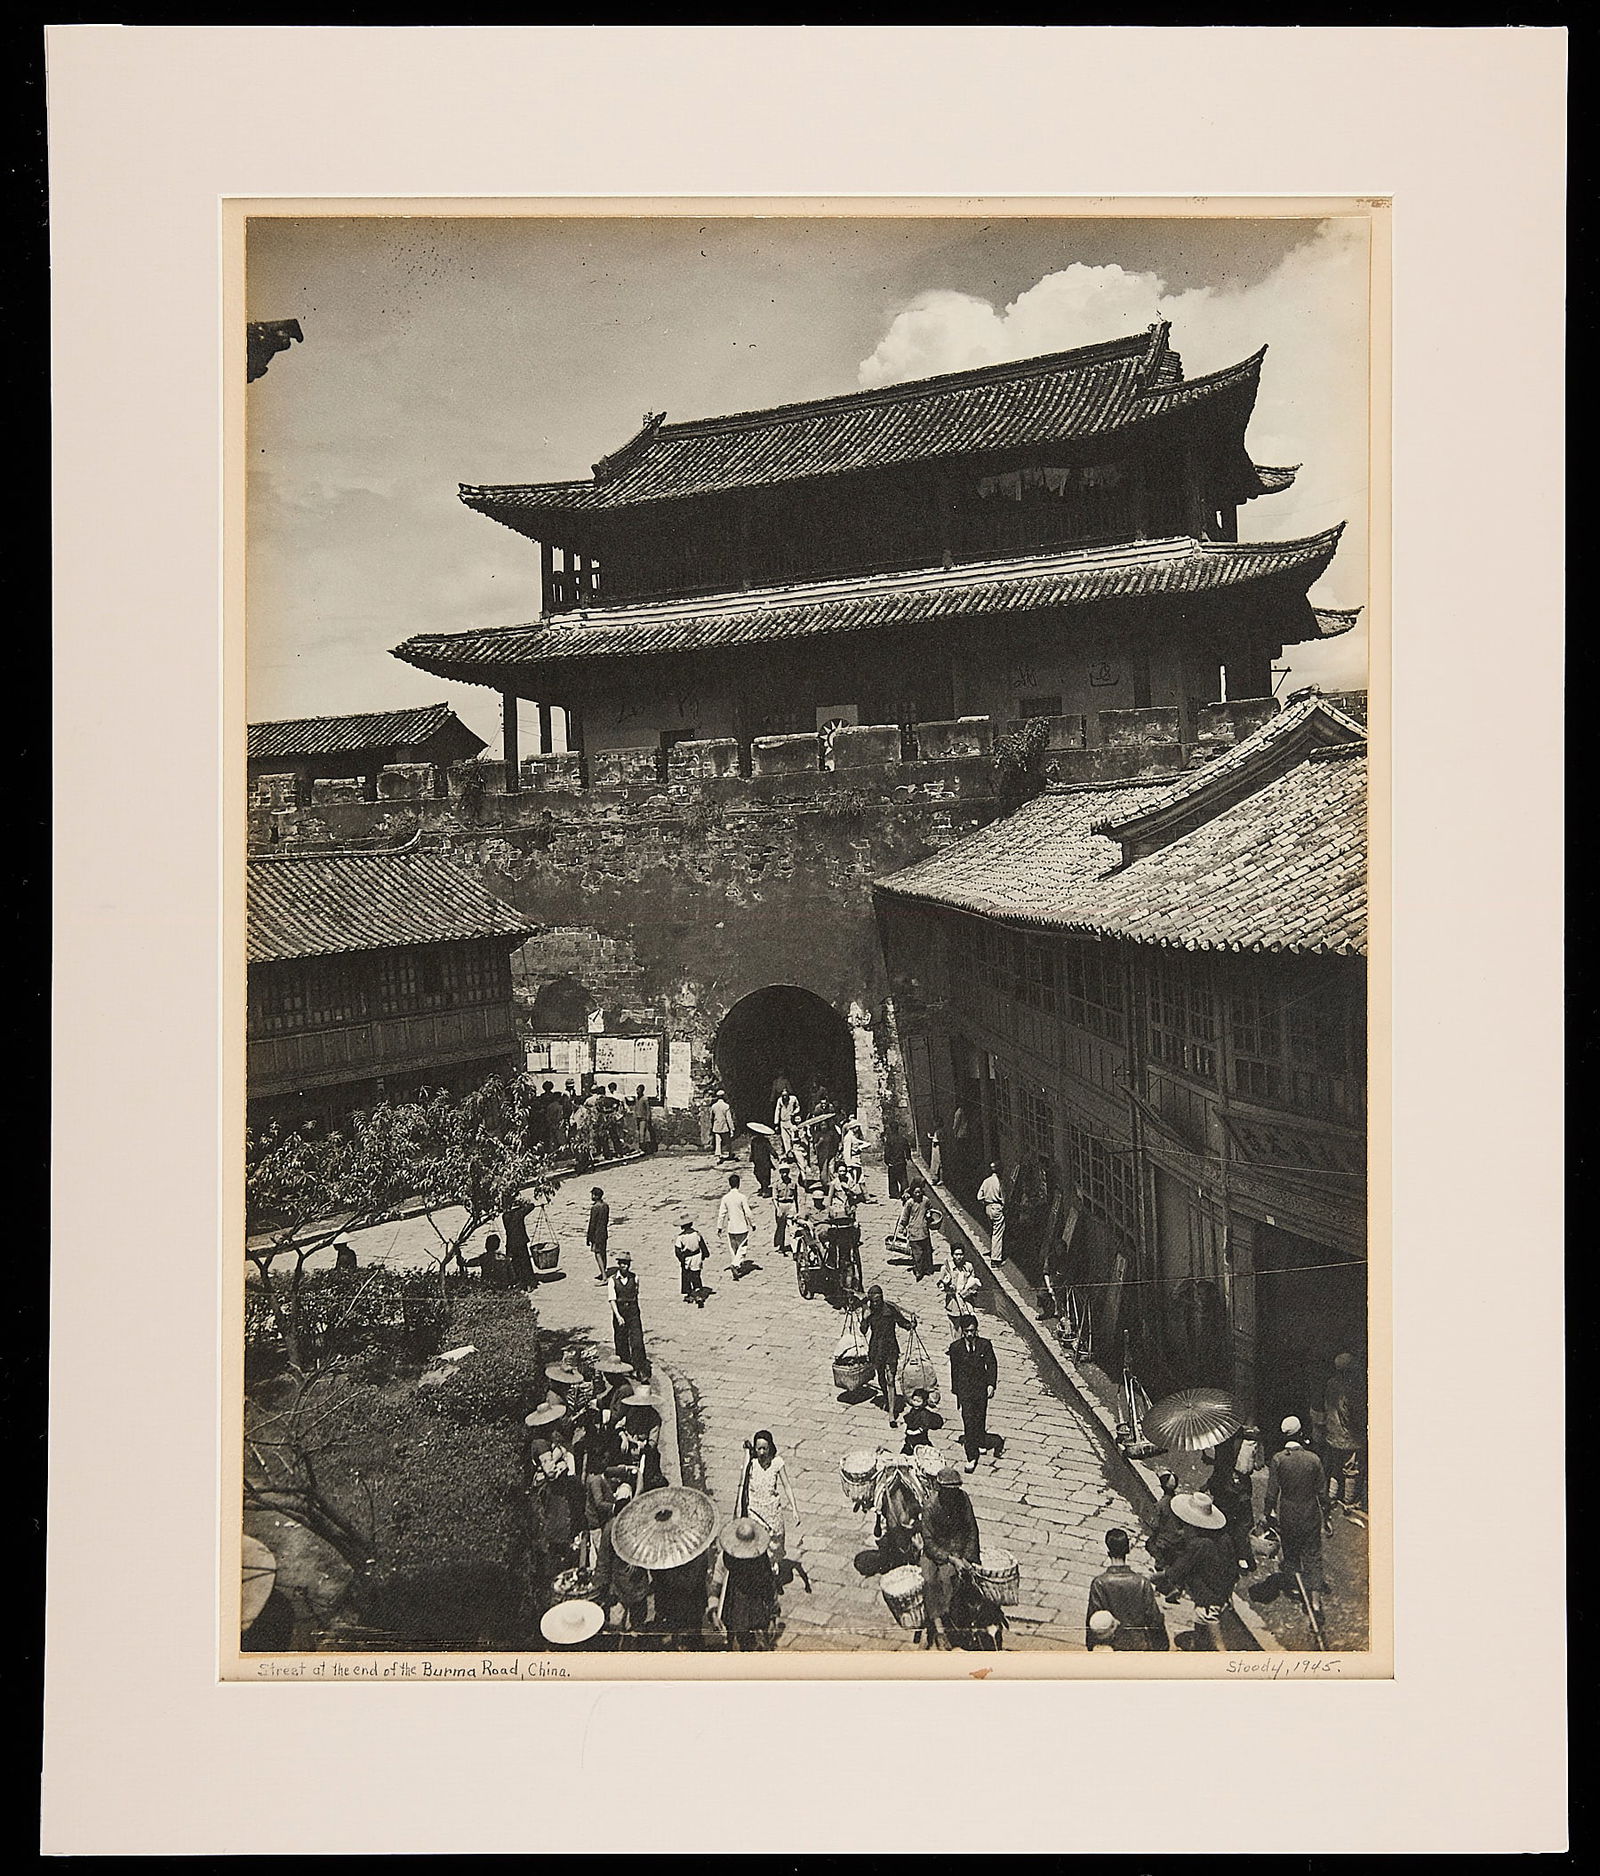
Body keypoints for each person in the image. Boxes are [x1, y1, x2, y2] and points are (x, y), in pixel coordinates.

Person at [1152, 1491, 1239, 1644]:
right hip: (1223, 1594)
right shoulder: (1224, 1538)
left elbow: (1177, 1571)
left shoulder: (1199, 1545)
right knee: (1205, 1630)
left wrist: (1155, 1578)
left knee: (1210, 1635)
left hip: (1209, 1600)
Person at [1265, 1421, 1329, 1605]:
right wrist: (1327, 1516)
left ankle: (1294, 1587)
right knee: (1313, 1554)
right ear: (1300, 1434)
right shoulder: (1314, 1459)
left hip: (1288, 1512)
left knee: (1291, 1551)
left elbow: (1271, 1492)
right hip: (1310, 1512)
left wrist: (1267, 1512)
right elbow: (1322, 1493)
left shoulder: (1278, 1459)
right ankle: (1315, 1600)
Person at [919, 1466, 982, 1649]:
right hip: (936, 1552)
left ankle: (959, 1620)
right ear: (940, 1489)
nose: (953, 1494)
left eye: (955, 1489)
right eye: (948, 1490)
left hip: (959, 1550)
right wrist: (950, 1558)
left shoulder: (963, 1499)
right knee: (930, 1580)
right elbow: (929, 1542)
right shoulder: (930, 1506)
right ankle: (939, 1628)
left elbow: (971, 1529)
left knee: (952, 1578)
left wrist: (967, 1557)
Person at [736, 1430, 804, 1586]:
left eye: (764, 1448)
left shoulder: (777, 1463)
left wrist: (794, 1509)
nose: (761, 1452)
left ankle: (772, 1569)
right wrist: (747, 1453)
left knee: (775, 1542)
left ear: (770, 1448)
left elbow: (787, 1486)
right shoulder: (751, 1464)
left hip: (772, 1512)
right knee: (758, 1545)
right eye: (758, 1448)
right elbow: (743, 1482)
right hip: (755, 1511)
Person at [1085, 1527, 1171, 1651]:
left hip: (1112, 1645)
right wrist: (1162, 1647)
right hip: (1139, 1644)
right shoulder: (1142, 1582)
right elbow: (1154, 1619)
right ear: (1127, 1550)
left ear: (1108, 1552)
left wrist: (1091, 1647)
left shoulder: (1099, 1583)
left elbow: (1094, 1620)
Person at [711, 1518, 780, 1650]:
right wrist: (714, 1611)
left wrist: (772, 1616)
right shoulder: (725, 1558)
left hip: (756, 1613)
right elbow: (716, 1586)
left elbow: (769, 1587)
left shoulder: (760, 1558)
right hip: (733, 1612)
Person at [948, 1314, 1003, 1471]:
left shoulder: (984, 1345)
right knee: (968, 1420)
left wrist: (991, 1384)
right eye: (967, 1331)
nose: (970, 1334)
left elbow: (992, 1364)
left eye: (972, 1331)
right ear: (962, 1331)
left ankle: (980, 1440)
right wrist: (956, 1391)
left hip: (980, 1388)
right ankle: (971, 1456)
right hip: (965, 1390)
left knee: (979, 1417)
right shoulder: (955, 1348)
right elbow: (954, 1370)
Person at [859, 1285, 917, 1424]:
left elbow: (902, 1322)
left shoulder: (890, 1310)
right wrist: (865, 1319)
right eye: (873, 1301)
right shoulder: (868, 1311)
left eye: (878, 1301)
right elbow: (863, 1330)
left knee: (890, 1379)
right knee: (881, 1377)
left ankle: (892, 1413)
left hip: (890, 1348)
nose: (875, 1303)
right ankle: (886, 1397)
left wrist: (911, 1324)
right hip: (876, 1348)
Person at [1204, 1434, 1257, 1574]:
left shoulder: (1222, 1442)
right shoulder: (1245, 1438)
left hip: (1225, 1491)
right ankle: (1243, 1558)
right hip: (1242, 1490)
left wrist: (1211, 1464)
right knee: (1242, 1525)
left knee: (1223, 1523)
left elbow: (1222, 1467)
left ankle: (1224, 1557)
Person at [1322, 1351, 1367, 1513]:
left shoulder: (1331, 1383)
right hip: (1349, 1437)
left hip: (1333, 1434)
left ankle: (1332, 1497)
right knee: (1351, 1470)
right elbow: (1352, 1413)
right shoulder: (1350, 1388)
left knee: (1335, 1468)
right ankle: (1349, 1502)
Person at [607, 1252, 651, 1381]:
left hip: (632, 1311)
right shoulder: (612, 1280)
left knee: (637, 1340)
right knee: (621, 1340)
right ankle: (625, 1367)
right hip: (619, 1311)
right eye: (621, 1263)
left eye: (626, 1263)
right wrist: (618, 1316)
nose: (623, 1266)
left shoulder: (635, 1278)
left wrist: (633, 1309)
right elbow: (612, 1300)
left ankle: (640, 1369)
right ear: (618, 1264)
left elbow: (636, 1293)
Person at [617, 1388, 667, 1493]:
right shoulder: (631, 1411)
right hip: (628, 1450)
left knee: (647, 1480)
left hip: (644, 1452)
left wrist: (638, 1444)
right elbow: (619, 1425)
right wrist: (623, 1437)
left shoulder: (654, 1417)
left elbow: (652, 1443)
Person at [718, 1172, 756, 1278]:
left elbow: (721, 1214)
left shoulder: (725, 1198)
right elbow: (748, 1212)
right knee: (742, 1247)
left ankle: (736, 1265)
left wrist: (719, 1227)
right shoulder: (742, 1197)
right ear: (739, 1184)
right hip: (741, 1227)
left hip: (731, 1227)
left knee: (733, 1248)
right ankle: (735, 1264)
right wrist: (752, 1223)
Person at [938, 1242, 982, 1328]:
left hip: (967, 1301)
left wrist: (971, 1290)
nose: (959, 1257)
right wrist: (948, 1287)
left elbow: (973, 1281)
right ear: (952, 1255)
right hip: (953, 1302)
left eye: (961, 1254)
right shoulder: (946, 1268)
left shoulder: (968, 1266)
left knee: (969, 1327)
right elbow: (940, 1285)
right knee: (956, 1329)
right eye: (956, 1254)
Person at [897, 1181, 935, 1281]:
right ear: (912, 1193)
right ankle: (919, 1271)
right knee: (917, 1254)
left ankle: (928, 1268)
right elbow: (905, 1216)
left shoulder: (925, 1200)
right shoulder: (909, 1203)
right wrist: (902, 1226)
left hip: (924, 1230)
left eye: (919, 1192)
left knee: (926, 1251)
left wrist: (929, 1214)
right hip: (913, 1231)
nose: (918, 1194)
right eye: (916, 1192)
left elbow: (931, 1209)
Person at [674, 1217, 709, 1307]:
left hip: (687, 1258)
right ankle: (698, 1294)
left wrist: (681, 1260)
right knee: (696, 1275)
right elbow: (702, 1245)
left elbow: (677, 1251)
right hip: (697, 1257)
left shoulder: (681, 1237)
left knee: (686, 1276)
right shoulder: (696, 1234)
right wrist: (705, 1255)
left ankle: (689, 1294)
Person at [899, 1387, 945, 1456]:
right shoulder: (913, 1410)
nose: (915, 1403)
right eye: (914, 1400)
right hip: (910, 1437)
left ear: (924, 1402)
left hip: (920, 1437)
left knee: (922, 1451)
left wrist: (914, 1432)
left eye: (918, 1401)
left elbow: (924, 1426)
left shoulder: (924, 1413)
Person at [977, 1162, 1007, 1264]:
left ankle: (994, 1252)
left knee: (993, 1231)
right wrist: (1003, 1206)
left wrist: (985, 1202)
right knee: (997, 1234)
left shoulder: (986, 1181)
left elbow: (979, 1197)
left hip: (988, 1208)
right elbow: (1004, 1199)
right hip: (997, 1208)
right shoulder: (999, 1182)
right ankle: (995, 1259)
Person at [771, 1156, 800, 1254]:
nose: (784, 1174)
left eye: (786, 1172)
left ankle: (795, 1248)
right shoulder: (776, 1184)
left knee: (792, 1228)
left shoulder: (793, 1183)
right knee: (781, 1227)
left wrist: (796, 1209)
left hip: (790, 1205)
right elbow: (774, 1198)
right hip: (780, 1206)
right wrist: (778, 1209)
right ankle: (781, 1246)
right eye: (782, 1172)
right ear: (780, 1173)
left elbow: (796, 1197)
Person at [587, 1186, 611, 1281]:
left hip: (596, 1234)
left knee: (597, 1253)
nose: (591, 1196)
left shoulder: (595, 1208)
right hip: (604, 1232)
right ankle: (603, 1271)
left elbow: (592, 1224)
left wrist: (589, 1237)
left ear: (596, 1196)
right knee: (603, 1252)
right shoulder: (605, 1206)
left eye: (593, 1194)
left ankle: (604, 1276)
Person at [774, 1085, 802, 1161]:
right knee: (785, 1139)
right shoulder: (780, 1100)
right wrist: (776, 1123)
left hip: (791, 1121)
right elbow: (777, 1111)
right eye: (783, 1096)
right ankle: (789, 1155)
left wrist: (794, 1112)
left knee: (793, 1137)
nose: (785, 1097)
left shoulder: (793, 1099)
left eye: (786, 1095)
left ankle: (796, 1153)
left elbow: (798, 1107)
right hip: (783, 1122)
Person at [883, 1121, 910, 1201]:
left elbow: (887, 1151)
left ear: (891, 1129)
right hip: (901, 1161)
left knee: (892, 1179)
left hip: (892, 1162)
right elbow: (907, 1149)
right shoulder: (903, 1139)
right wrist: (908, 1157)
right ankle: (904, 1192)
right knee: (903, 1178)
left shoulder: (889, 1139)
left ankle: (894, 1193)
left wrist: (887, 1161)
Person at [632, 1083, 657, 1156]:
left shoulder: (645, 1099)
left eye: (639, 1090)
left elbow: (648, 1109)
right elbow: (636, 1108)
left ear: (642, 1091)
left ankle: (643, 1148)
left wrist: (648, 1118)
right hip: (638, 1118)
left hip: (643, 1118)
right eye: (637, 1090)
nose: (637, 1091)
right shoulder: (637, 1098)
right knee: (639, 1133)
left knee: (642, 1133)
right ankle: (641, 1147)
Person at [710, 1090, 735, 1163]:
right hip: (724, 1126)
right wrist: (732, 1128)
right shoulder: (726, 1106)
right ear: (724, 1096)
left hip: (716, 1126)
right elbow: (729, 1118)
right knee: (727, 1141)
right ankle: (730, 1153)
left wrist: (712, 1126)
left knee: (718, 1141)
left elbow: (711, 1117)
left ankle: (718, 1156)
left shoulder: (714, 1106)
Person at [749, 1126, 774, 1198]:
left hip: (765, 1161)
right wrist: (752, 1157)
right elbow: (752, 1150)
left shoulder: (765, 1141)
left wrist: (774, 1154)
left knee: (765, 1175)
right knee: (757, 1174)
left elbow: (770, 1149)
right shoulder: (754, 1141)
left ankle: (765, 1190)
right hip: (757, 1161)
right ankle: (763, 1187)